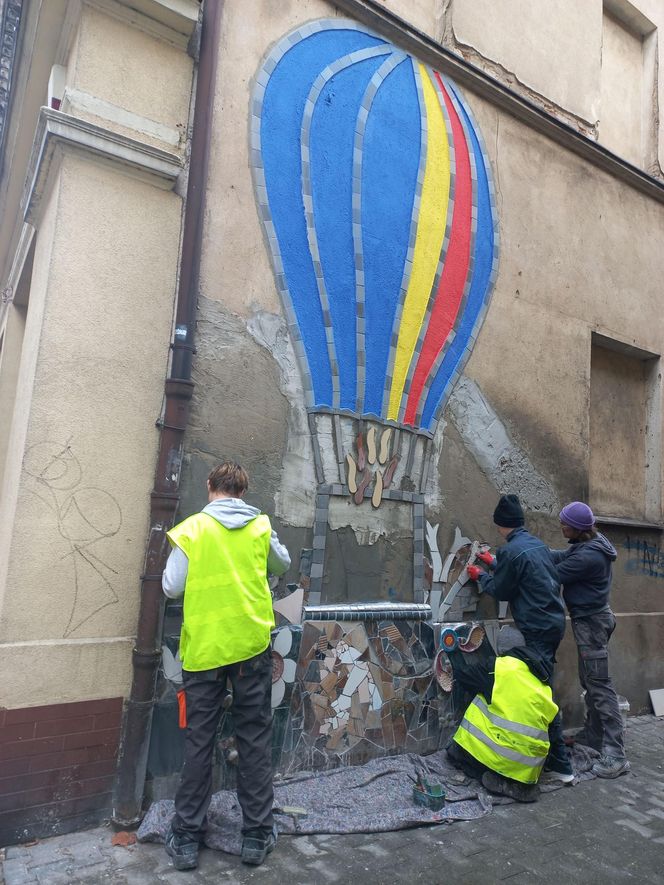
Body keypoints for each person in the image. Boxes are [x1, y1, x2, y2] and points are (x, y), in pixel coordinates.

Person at [161, 462, 291, 870]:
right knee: (253, 737)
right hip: (251, 648)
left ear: (210, 486)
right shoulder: (260, 527)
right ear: (243, 491)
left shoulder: (193, 530)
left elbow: (170, 586)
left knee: (200, 739)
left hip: (205, 650)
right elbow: (282, 564)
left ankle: (186, 837)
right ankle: (255, 836)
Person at [466, 494, 574, 784]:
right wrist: (494, 560)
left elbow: (502, 589)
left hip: (537, 629)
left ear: (501, 525)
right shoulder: (535, 544)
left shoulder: (513, 552)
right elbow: (524, 571)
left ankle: (561, 765)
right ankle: (552, 758)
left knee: (541, 694)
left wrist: (480, 575)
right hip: (552, 623)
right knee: (540, 688)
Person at [550, 501, 629, 779]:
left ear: (578, 528)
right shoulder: (590, 543)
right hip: (595, 619)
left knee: (600, 686)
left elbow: (554, 572)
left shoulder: (588, 557)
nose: (561, 526)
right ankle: (594, 737)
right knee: (591, 683)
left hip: (592, 624)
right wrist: (536, 552)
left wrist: (527, 561)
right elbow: (561, 556)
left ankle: (616, 755)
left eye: (565, 523)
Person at [447, 635, 558, 802]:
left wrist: (453, 651)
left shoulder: (499, 668)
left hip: (500, 758)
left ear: (502, 650)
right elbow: (554, 731)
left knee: (454, 753)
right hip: (528, 770)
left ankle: (494, 778)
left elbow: (463, 676)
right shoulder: (543, 683)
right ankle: (519, 785)